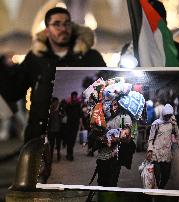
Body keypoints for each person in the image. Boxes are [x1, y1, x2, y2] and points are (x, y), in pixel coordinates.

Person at [0, 7, 106, 185]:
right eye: (57, 24)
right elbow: (13, 91)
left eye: (66, 24)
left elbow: (102, 89)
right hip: (37, 138)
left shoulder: (90, 57)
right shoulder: (35, 58)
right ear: (47, 29)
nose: (63, 28)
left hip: (71, 127)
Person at [147, 104, 179, 189]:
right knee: (157, 175)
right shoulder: (156, 124)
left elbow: (177, 134)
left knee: (166, 176)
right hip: (156, 153)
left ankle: (160, 188)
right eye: (166, 116)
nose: (167, 117)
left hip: (167, 154)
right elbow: (151, 139)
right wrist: (150, 150)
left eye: (169, 116)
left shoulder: (172, 123)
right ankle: (156, 191)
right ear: (163, 114)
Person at [65, 91, 82, 161]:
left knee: (73, 140)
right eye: (73, 96)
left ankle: (70, 153)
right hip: (69, 125)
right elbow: (65, 114)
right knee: (69, 140)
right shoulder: (68, 105)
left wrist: (81, 125)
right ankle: (69, 154)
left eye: (75, 96)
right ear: (72, 97)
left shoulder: (78, 105)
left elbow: (80, 116)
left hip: (75, 125)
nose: (74, 97)